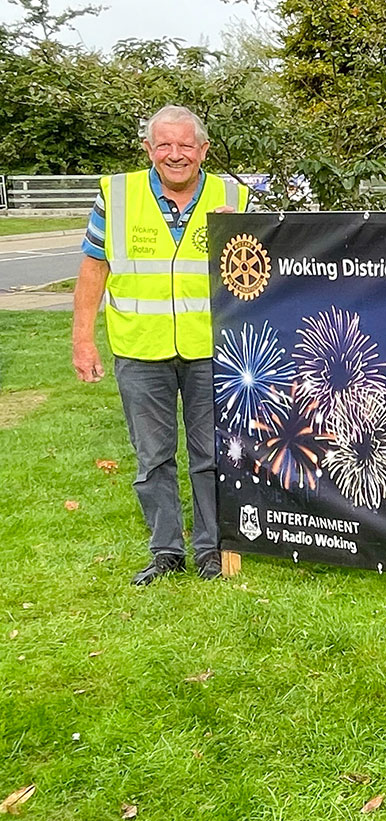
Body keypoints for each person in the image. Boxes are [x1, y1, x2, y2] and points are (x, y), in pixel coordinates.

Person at [72, 106, 251, 586]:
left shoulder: (234, 198)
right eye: (164, 145)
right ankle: (166, 551)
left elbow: (260, 272)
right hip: (139, 350)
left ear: (203, 150)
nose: (176, 154)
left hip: (213, 351)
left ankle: (212, 550)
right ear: (148, 149)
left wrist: (240, 231)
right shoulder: (118, 194)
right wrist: (83, 339)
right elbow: (93, 267)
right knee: (152, 458)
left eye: (186, 145)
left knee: (213, 456)